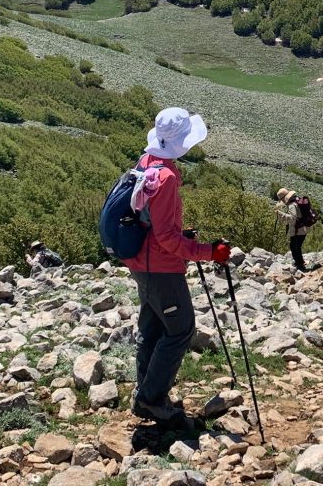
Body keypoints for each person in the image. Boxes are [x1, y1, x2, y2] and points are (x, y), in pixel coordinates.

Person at [121, 107, 232, 426]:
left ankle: (146, 392)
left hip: (141, 261)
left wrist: (181, 236)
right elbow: (167, 238)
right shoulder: (166, 177)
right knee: (181, 329)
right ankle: (151, 399)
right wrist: (209, 252)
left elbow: (152, 221)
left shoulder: (146, 163)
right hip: (161, 267)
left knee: (153, 328)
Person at [274, 187, 310, 272]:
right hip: (302, 229)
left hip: (298, 230)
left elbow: (292, 218)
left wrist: (280, 214)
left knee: (294, 247)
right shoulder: (296, 202)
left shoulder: (291, 205)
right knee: (296, 247)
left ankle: (300, 266)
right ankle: (300, 263)